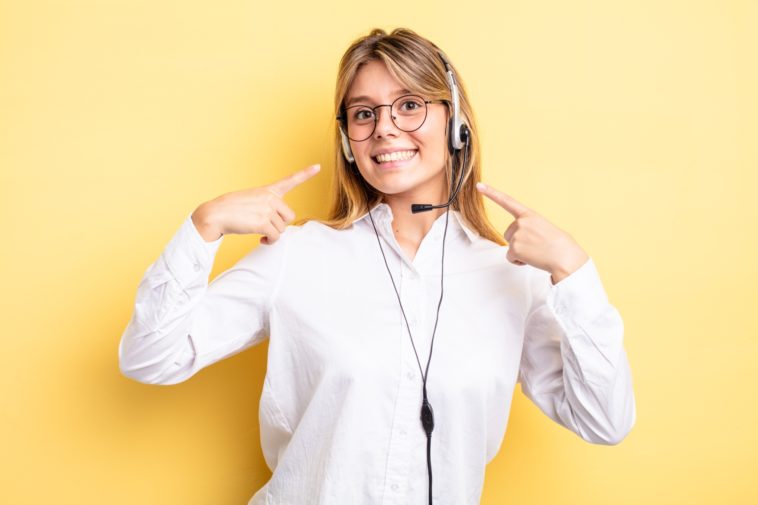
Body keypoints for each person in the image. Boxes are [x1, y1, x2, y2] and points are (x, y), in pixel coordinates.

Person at [119, 27, 636, 505]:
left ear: (455, 124)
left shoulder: (514, 276)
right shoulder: (297, 257)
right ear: (349, 139)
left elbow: (605, 420)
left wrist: (574, 270)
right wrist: (202, 228)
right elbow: (150, 358)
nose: (385, 128)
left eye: (408, 105)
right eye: (364, 113)